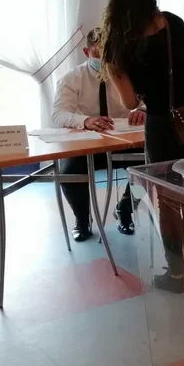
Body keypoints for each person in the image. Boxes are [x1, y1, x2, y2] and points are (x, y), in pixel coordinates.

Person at [100, 0, 184, 293]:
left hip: (163, 125)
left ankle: (177, 275)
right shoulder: (173, 22)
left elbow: (129, 102)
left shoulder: (118, 47)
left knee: (167, 200)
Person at [51, 28, 145, 241]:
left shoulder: (127, 74)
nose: (104, 59)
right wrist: (85, 120)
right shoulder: (73, 78)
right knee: (69, 172)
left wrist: (142, 110)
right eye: (97, 53)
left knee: (151, 165)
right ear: (87, 52)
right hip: (87, 143)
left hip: (124, 140)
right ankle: (82, 219)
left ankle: (125, 209)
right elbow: (58, 114)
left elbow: (149, 98)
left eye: (108, 53)